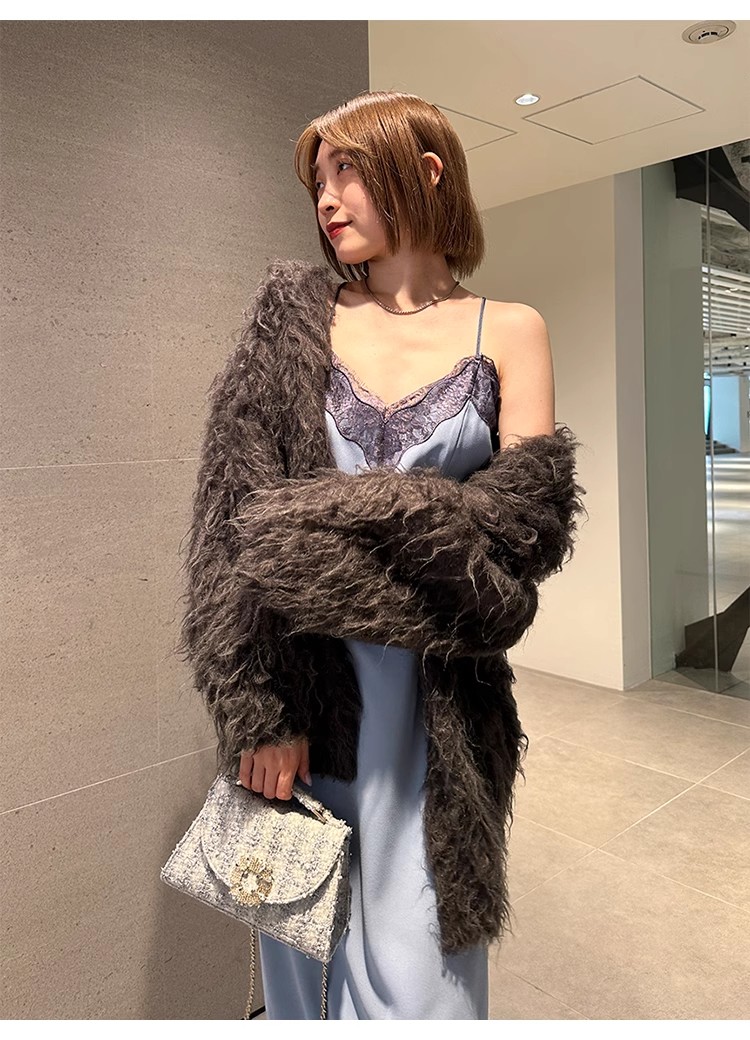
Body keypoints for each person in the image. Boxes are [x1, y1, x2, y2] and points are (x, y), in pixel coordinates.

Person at [234, 89, 555, 1019]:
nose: (326, 197)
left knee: (425, 997)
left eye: (348, 169)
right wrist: (257, 709)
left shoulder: (511, 330)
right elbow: (235, 527)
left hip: (438, 717)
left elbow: (518, 542)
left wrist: (310, 535)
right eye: (318, 178)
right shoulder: (292, 321)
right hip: (300, 703)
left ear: (425, 172)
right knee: (298, 982)